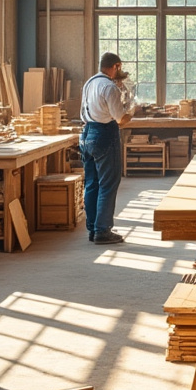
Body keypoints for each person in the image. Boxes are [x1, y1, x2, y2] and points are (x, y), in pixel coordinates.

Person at [81, 52, 132, 245]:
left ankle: (93, 228)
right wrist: (131, 113)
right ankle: (103, 231)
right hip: (104, 134)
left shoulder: (90, 82)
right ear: (116, 66)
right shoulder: (109, 87)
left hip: (87, 133)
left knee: (92, 183)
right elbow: (120, 119)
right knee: (108, 184)